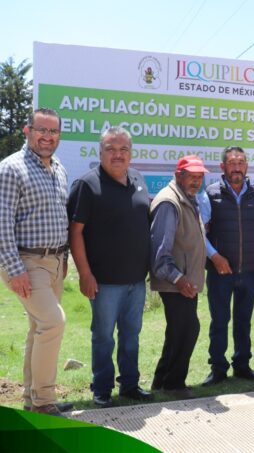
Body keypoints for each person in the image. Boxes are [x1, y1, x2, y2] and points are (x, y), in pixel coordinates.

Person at [0, 108, 72, 416]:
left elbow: (60, 216)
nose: (47, 137)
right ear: (28, 130)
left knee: (39, 328)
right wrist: (14, 269)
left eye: (53, 132)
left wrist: (64, 259)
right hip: (26, 262)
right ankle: (44, 402)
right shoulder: (11, 169)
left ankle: (31, 401)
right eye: (42, 130)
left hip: (55, 262)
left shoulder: (59, 169)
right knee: (53, 322)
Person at [67, 126, 154, 407]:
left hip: (136, 281)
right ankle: (102, 388)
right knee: (103, 337)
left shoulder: (139, 179)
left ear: (131, 153)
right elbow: (75, 232)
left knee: (131, 336)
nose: (118, 155)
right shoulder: (87, 185)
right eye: (111, 149)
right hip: (103, 282)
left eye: (123, 149)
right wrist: (85, 274)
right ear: (100, 152)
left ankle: (129, 385)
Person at [198, 146, 254, 385]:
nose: (237, 167)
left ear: (247, 167)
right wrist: (214, 256)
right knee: (219, 320)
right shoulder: (210, 194)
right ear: (222, 167)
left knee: (243, 320)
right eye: (232, 163)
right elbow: (199, 232)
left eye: (241, 162)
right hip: (220, 271)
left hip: (251, 270)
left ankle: (242, 365)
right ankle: (218, 368)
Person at [149, 155, 209, 399]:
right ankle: (174, 384)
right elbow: (159, 252)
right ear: (178, 175)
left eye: (199, 177)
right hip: (177, 282)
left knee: (178, 330)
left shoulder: (186, 198)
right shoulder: (169, 202)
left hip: (185, 281)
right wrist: (179, 279)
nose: (196, 181)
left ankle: (162, 380)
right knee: (186, 329)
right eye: (191, 176)